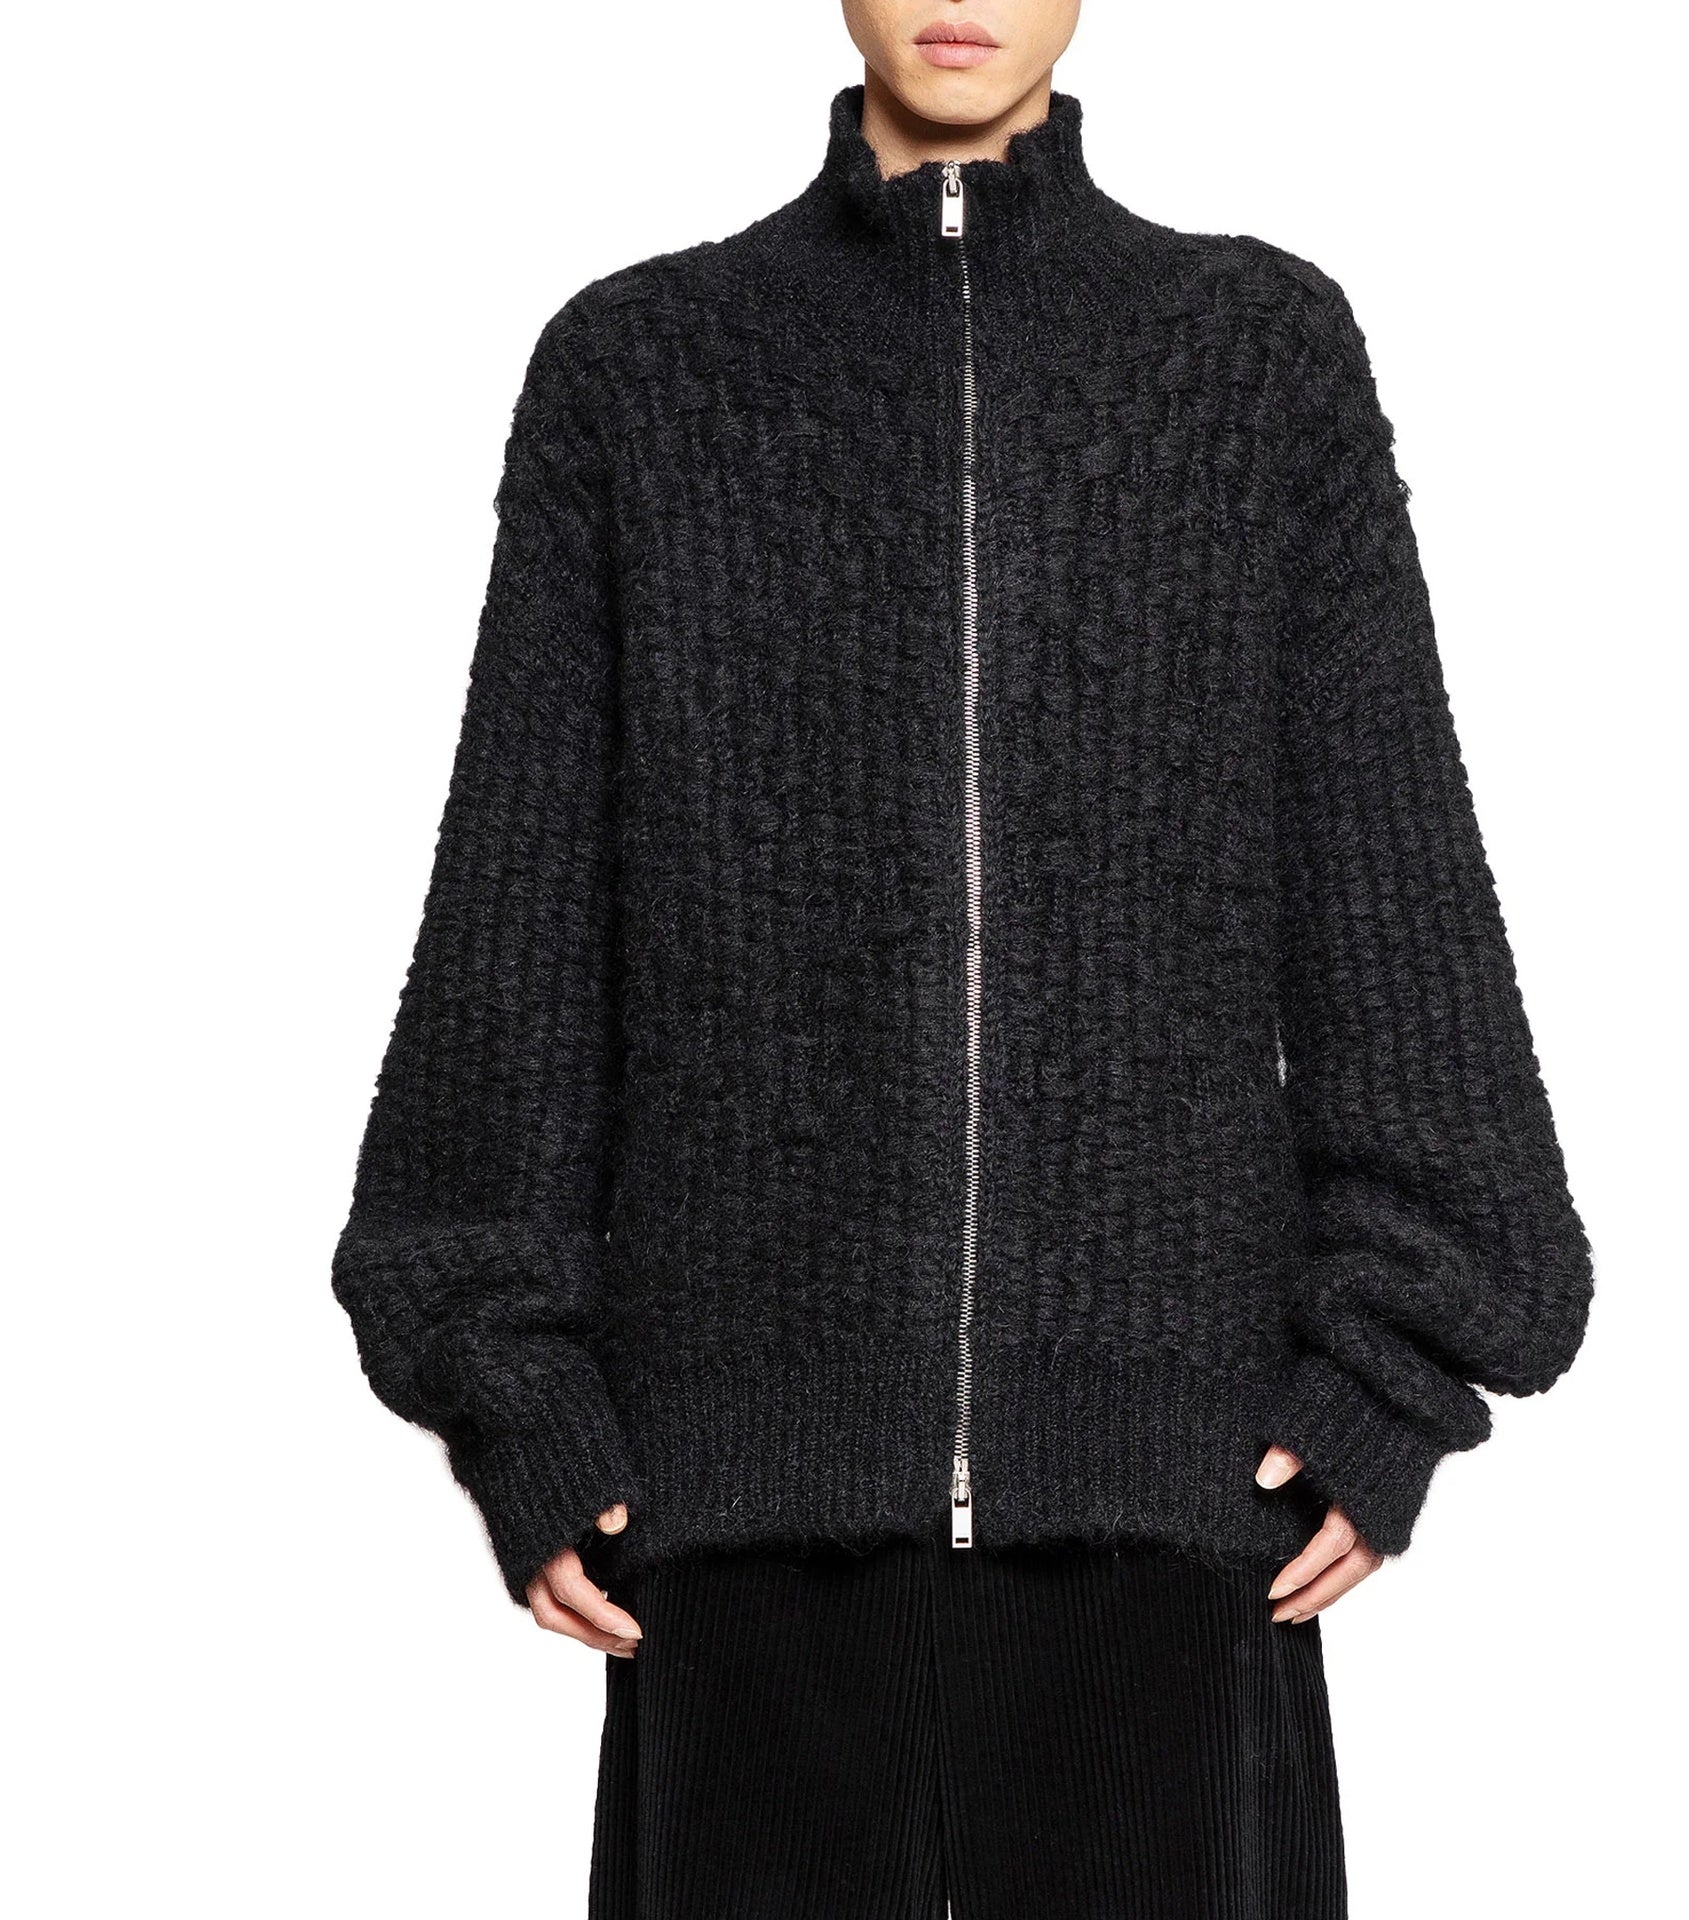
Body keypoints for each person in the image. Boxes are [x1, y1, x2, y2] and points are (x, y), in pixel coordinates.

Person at [331, 2, 1594, 1912]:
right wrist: (515, 1389)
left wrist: (1388, 1378)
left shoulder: (1254, 356)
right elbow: (520, 905)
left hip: (1178, 1516)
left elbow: (1389, 878)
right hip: (738, 1523)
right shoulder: (642, 365)